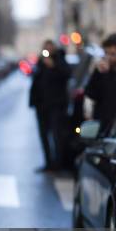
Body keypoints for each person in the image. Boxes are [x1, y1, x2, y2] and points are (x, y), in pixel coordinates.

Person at [29, 39, 72, 171]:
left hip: (56, 105)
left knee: (56, 134)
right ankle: (48, 163)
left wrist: (53, 65)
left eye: (49, 48)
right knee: (44, 135)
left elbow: (67, 74)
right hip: (41, 105)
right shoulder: (41, 62)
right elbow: (35, 79)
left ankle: (58, 163)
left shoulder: (60, 60)